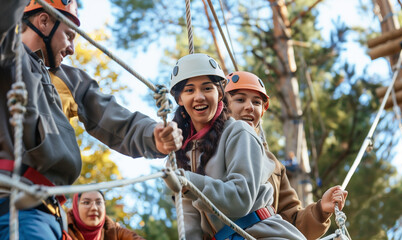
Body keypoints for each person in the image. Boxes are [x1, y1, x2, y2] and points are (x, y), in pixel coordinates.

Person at [0, 1, 182, 239]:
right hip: (16, 203)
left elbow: (113, 117)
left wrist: (153, 137)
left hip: (48, 214)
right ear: (43, 22)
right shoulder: (8, 55)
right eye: (69, 35)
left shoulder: (70, 80)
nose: (72, 49)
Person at [169, 53, 306, 239]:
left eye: (207, 88)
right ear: (179, 99)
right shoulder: (185, 152)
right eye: (189, 90)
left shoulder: (239, 132)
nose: (199, 97)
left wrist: (191, 182)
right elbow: (189, 219)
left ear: (219, 94)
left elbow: (241, 199)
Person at [224, 71, 348, 239]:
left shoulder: (272, 165)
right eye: (240, 100)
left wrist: (321, 210)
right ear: (224, 106)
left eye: (257, 102)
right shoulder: (210, 148)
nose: (249, 107)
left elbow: (293, 223)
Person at [67, 191, 144, 240]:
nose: (94, 208)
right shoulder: (62, 227)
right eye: (86, 202)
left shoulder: (114, 232)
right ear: (76, 207)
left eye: (99, 202)